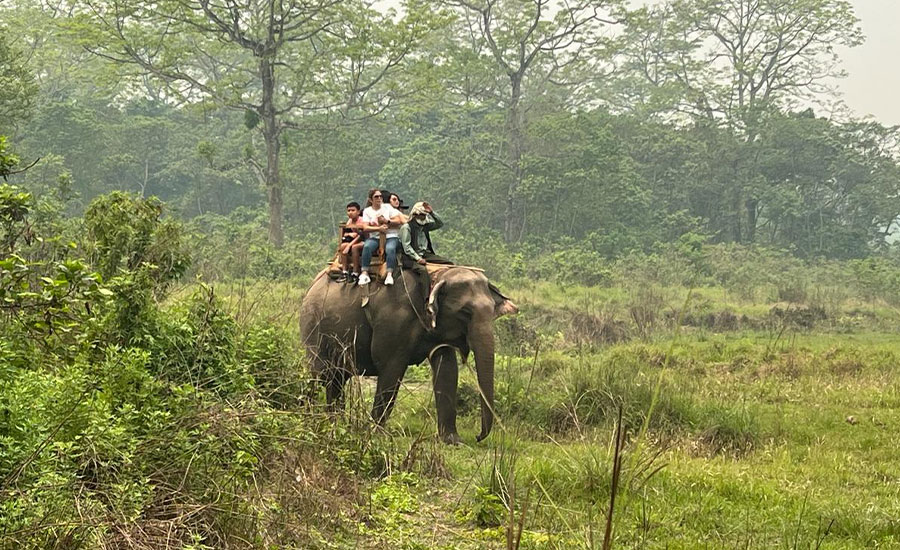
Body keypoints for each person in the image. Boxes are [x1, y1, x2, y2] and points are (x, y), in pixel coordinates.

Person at [359, 189, 403, 286]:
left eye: (380, 196)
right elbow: (365, 227)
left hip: (391, 236)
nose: (379, 198)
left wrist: (387, 221)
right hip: (376, 237)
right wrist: (379, 228)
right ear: (370, 200)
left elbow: (398, 220)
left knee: (390, 249)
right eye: (376, 197)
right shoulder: (367, 211)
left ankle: (389, 273)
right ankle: (364, 272)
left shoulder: (387, 207)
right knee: (367, 247)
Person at [400, 201, 453, 280]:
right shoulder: (407, 227)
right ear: (415, 215)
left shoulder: (425, 226)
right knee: (423, 271)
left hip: (425, 254)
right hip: (410, 258)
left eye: (425, 215)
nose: (423, 217)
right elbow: (407, 247)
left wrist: (432, 213)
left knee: (448, 263)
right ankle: (425, 292)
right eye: (422, 215)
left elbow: (440, 223)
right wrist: (418, 258)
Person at [339, 201, 365, 283]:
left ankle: (355, 272)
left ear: (358, 212)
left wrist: (349, 245)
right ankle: (344, 271)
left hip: (364, 240)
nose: (350, 212)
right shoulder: (349, 221)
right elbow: (347, 233)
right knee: (343, 246)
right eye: (348, 210)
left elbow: (361, 236)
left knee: (354, 248)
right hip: (354, 240)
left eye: (353, 210)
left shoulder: (362, 221)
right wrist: (350, 235)